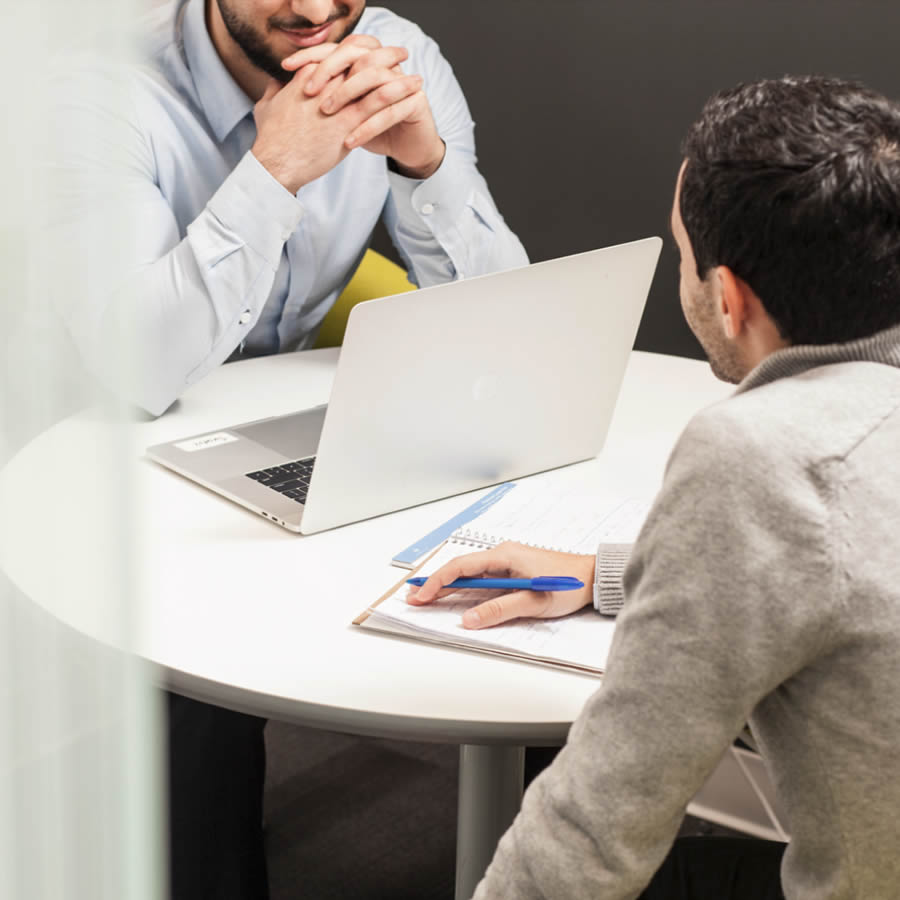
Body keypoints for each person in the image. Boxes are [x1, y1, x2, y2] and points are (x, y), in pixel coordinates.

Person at [15, 2, 527, 898]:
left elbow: (505, 329)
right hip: (93, 446)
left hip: (267, 423)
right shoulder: (95, 97)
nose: (313, 8)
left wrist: (426, 164)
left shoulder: (402, 54)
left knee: (518, 546)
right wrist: (273, 170)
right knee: (192, 668)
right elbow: (141, 369)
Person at [410, 75, 900, 899]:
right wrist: (615, 572)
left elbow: (597, 826)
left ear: (729, 297)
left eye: (681, 253)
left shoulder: (757, 453)